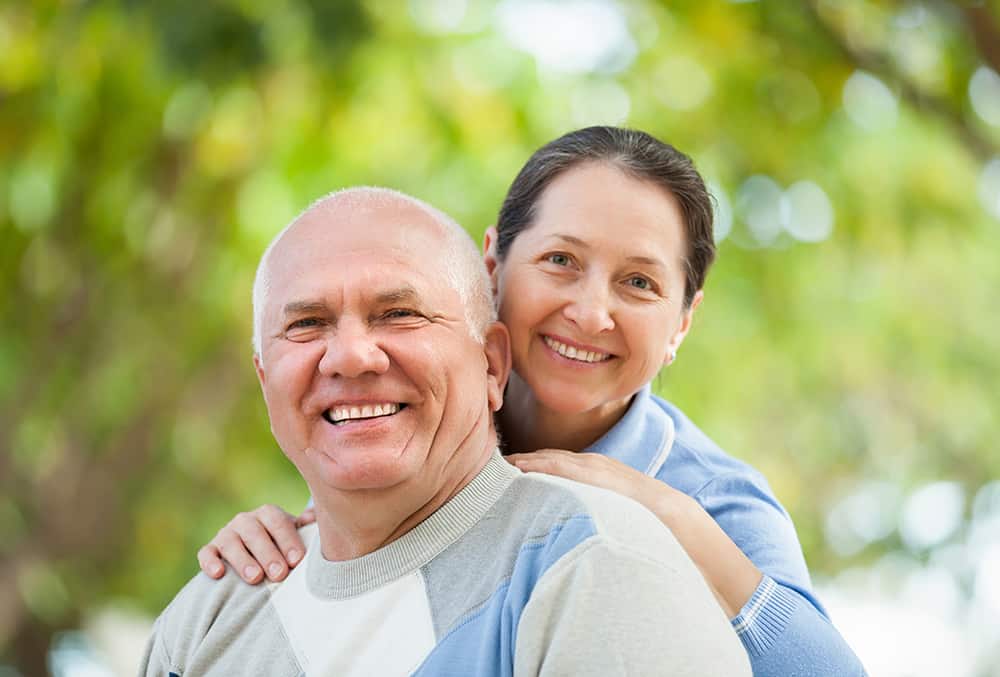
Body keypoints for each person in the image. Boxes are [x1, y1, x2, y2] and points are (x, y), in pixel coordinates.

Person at [198, 128, 867, 676]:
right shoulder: (410, 414)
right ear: (491, 265)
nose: (590, 311)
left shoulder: (711, 496)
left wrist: (673, 516)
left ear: (682, 323)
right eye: (560, 261)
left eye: (638, 282)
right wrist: (277, 542)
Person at [142, 187, 751, 676]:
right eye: (306, 324)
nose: (351, 357)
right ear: (265, 377)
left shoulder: (594, 570)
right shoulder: (210, 614)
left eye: (399, 314)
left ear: (491, 364)